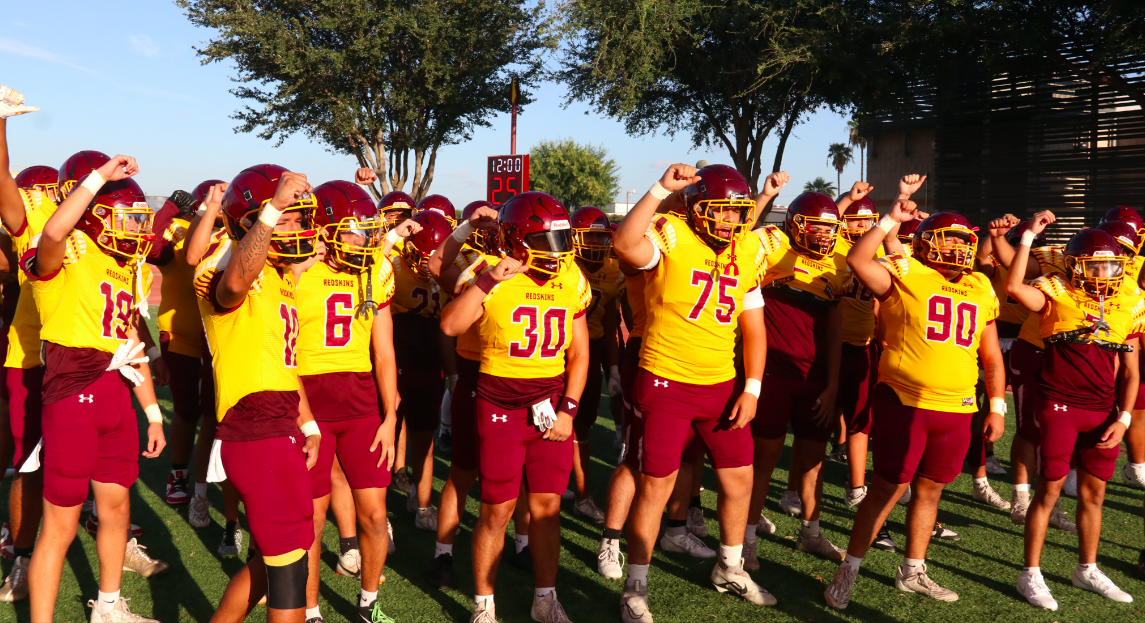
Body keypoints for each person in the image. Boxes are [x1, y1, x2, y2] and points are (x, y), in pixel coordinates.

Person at [612, 164, 786, 622]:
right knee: (656, 486)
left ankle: (729, 566)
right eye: (720, 211)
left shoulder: (746, 249)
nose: (729, 221)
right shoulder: (671, 232)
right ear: (695, 208)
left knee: (739, 480)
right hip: (666, 379)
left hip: (720, 385)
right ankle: (635, 585)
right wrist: (657, 189)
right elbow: (625, 244)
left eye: (736, 212)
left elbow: (755, 331)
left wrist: (751, 387)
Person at [825, 203, 1006, 609]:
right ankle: (849, 568)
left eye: (964, 242)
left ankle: (913, 570)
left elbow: (991, 355)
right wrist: (890, 218)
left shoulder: (980, 285)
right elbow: (857, 259)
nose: (958, 249)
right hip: (906, 401)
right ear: (926, 242)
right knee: (887, 488)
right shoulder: (906, 270)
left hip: (958, 407)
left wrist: (997, 406)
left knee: (931, 492)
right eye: (949, 239)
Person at [24, 152, 166, 623]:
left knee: (117, 510)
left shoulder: (125, 267)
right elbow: (52, 234)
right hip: (73, 400)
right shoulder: (67, 254)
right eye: (123, 218)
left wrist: (152, 412)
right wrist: (100, 175)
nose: (133, 229)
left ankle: (108, 606)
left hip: (115, 400)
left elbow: (131, 345)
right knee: (60, 525)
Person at [439, 191, 590, 623]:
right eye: (545, 241)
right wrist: (489, 282)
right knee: (497, 509)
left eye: (561, 240)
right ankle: (483, 604)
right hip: (499, 403)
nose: (557, 252)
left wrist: (570, 409)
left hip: (549, 402)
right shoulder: (487, 270)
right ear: (517, 239)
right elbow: (451, 325)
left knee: (546, 509)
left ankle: (545, 599)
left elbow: (579, 354)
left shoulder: (572, 278)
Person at [196, 164, 322, 623]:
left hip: (279, 429)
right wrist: (273, 209)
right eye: (281, 219)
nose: (292, 227)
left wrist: (307, 423)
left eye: (296, 219)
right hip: (253, 433)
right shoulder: (225, 266)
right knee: (291, 569)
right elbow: (232, 286)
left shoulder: (282, 277)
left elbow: (284, 366)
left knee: (272, 565)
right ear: (247, 221)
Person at [1006, 215, 1141, 610]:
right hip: (1060, 403)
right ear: (1076, 265)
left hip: (1103, 410)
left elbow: (1131, 372)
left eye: (1110, 265)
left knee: (1094, 492)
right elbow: (1014, 287)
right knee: (1049, 489)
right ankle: (1030, 573)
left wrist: (1124, 417)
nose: (1103, 273)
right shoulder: (1057, 290)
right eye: (1095, 264)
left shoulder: (1127, 301)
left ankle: (1087, 568)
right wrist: (1028, 237)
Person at [297, 179, 398, 623]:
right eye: (354, 230)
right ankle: (311, 609)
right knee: (313, 517)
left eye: (368, 231)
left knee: (375, 515)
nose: (364, 240)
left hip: (360, 404)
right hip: (310, 401)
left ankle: (368, 604)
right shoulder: (297, 268)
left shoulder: (375, 269)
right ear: (324, 228)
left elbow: (384, 351)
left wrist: (391, 414)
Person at [747, 190, 849, 566]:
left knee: (813, 460)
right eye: (818, 227)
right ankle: (746, 535)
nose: (824, 235)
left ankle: (810, 532)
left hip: (815, 376)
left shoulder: (838, 263)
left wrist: (833, 382)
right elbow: (741, 239)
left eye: (829, 228)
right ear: (794, 223)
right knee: (764, 458)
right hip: (773, 371)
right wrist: (765, 195)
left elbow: (836, 330)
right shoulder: (771, 246)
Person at [423, 200, 500, 589]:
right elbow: (438, 267)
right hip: (479, 375)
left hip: (528, 381)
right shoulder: (477, 266)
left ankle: (519, 542)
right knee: (463, 473)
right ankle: (443, 553)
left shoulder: (548, 265)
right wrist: (466, 229)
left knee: (514, 479)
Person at [389, 209, 455, 530]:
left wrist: (452, 372)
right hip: (395, 358)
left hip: (429, 360)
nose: (429, 261)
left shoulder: (448, 273)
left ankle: (422, 502)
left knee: (425, 438)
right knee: (386, 433)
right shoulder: (393, 264)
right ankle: (376, 510)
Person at [567, 205, 624, 523]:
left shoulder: (614, 271)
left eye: (602, 237)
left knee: (582, 425)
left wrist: (613, 370)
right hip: (555, 354)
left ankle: (582, 494)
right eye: (591, 236)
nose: (597, 243)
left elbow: (612, 324)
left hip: (588, 355)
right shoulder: (562, 266)